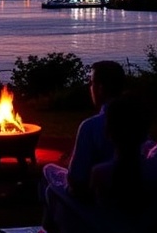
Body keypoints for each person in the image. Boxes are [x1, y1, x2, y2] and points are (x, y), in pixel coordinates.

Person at [41, 60, 126, 201]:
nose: (90, 87)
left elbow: (76, 179)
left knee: (48, 173)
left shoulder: (90, 126)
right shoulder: (136, 120)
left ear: (100, 88)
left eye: (91, 83)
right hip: (128, 200)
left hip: (95, 201)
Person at [89, 93, 157, 216]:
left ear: (108, 132)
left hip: (106, 232)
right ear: (145, 133)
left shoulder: (100, 173)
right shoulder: (156, 168)